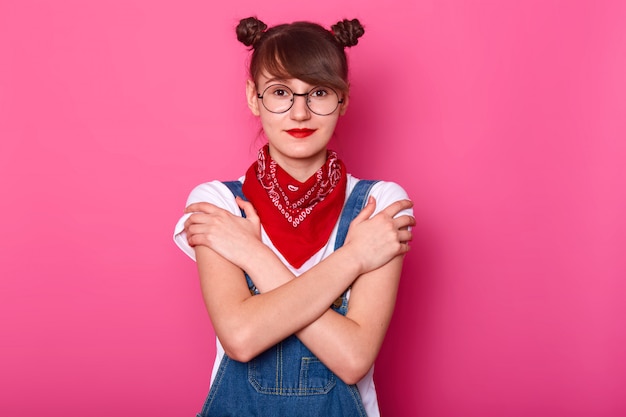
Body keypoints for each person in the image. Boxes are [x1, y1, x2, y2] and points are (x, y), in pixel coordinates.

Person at [173, 16, 415, 417]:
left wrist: (251, 255)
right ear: (253, 97)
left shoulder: (381, 202)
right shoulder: (217, 202)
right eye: (280, 92)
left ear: (344, 98)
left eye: (318, 92)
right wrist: (355, 256)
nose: (299, 113)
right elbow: (242, 337)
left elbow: (353, 357)